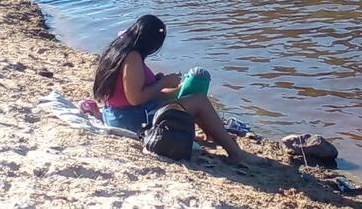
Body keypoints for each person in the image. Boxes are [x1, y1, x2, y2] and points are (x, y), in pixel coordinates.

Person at [92, 14, 259, 165]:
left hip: (120, 114)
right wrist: (163, 83)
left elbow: (131, 91)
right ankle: (236, 153)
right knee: (200, 101)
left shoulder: (117, 50)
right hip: (132, 119)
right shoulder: (133, 56)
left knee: (191, 94)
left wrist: (162, 84)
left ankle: (212, 135)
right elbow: (135, 98)